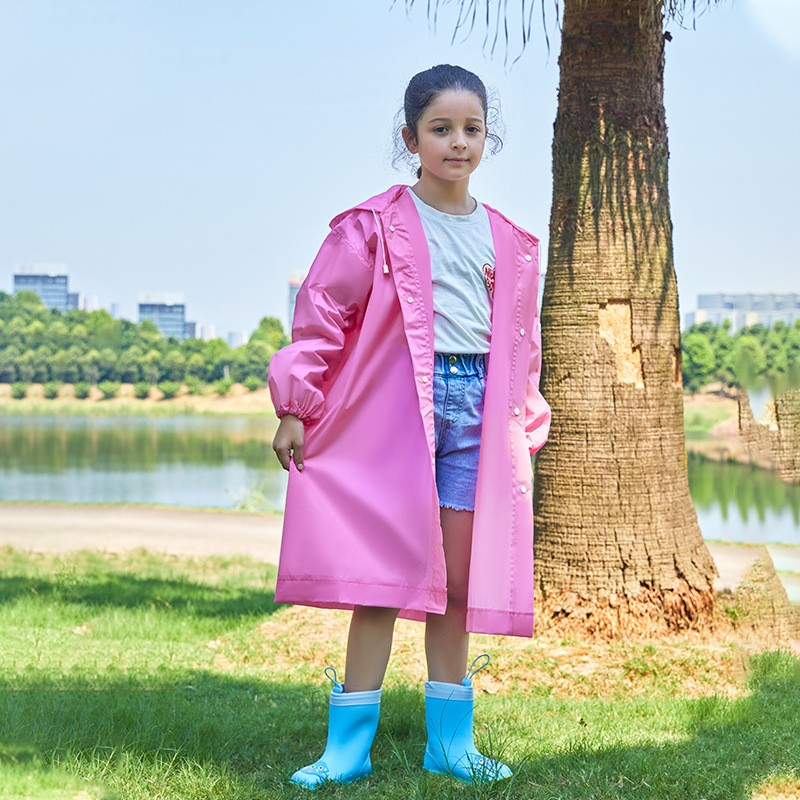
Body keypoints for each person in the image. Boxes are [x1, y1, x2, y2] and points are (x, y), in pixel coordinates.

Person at [268, 64, 550, 789]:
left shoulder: (509, 240)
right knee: (382, 581)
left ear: (487, 138)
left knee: (456, 584)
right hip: (397, 410)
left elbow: (524, 343)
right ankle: (346, 749)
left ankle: (451, 747)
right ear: (410, 138)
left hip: (479, 414)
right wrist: (296, 405)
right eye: (440, 128)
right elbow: (324, 314)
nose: (458, 142)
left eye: (472, 129)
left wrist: (525, 422)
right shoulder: (373, 227)